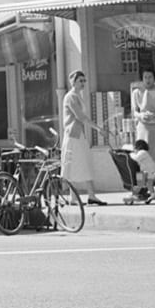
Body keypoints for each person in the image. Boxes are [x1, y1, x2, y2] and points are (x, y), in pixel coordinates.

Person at [61, 70, 106, 207]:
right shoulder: (71, 97)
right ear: (73, 82)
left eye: (84, 80)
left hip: (79, 135)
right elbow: (81, 117)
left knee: (82, 163)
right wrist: (98, 128)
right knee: (75, 164)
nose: (83, 83)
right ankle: (80, 196)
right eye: (80, 80)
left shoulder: (77, 96)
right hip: (73, 136)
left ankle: (85, 196)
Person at [131, 71, 155, 168]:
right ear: (142, 79)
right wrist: (141, 116)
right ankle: (147, 180)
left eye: (150, 77)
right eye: (145, 77)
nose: (148, 79)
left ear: (154, 78)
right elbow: (134, 112)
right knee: (145, 154)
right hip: (143, 128)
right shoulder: (136, 92)